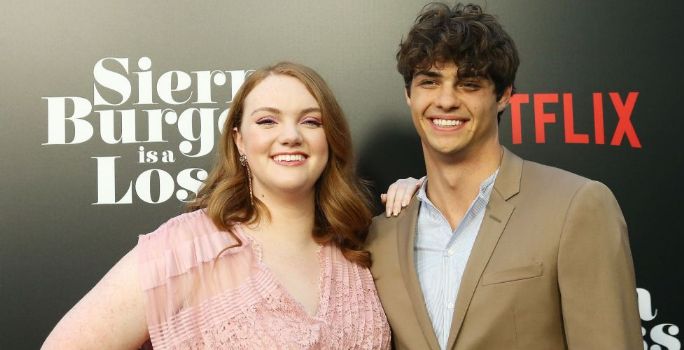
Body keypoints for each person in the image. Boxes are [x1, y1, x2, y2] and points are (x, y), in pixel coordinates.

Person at [42, 62, 391, 349]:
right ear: (239, 139)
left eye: (311, 121)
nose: (290, 135)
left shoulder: (357, 249)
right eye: (267, 120)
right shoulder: (187, 249)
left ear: (330, 138)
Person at [367, 3, 643, 350]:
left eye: (468, 83)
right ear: (409, 95)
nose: (446, 100)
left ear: (504, 95)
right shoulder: (381, 236)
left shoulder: (576, 207)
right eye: (429, 82)